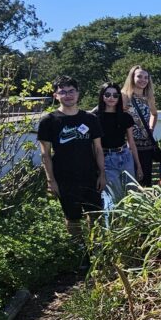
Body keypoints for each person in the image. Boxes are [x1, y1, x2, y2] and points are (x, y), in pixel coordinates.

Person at [37, 76, 105, 243]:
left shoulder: (90, 119)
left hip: (90, 175)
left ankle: (96, 249)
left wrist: (102, 174)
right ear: (56, 96)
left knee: (95, 214)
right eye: (63, 92)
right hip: (64, 177)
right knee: (72, 217)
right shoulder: (49, 121)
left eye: (71, 91)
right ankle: (79, 250)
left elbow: (98, 149)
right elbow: (45, 154)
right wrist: (50, 180)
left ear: (78, 93)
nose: (68, 95)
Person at [91, 82, 143, 203]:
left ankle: (130, 222)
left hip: (125, 156)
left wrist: (138, 166)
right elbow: (94, 146)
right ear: (102, 96)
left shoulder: (125, 117)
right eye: (107, 94)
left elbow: (131, 143)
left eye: (115, 95)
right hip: (106, 158)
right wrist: (99, 170)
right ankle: (113, 222)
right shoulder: (94, 117)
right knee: (114, 196)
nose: (111, 98)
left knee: (132, 194)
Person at [121, 65, 158, 186]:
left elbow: (154, 114)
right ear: (132, 78)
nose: (143, 80)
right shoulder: (124, 96)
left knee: (146, 180)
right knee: (131, 180)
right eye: (139, 76)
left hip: (146, 145)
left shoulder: (148, 97)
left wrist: (150, 129)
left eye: (146, 77)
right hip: (128, 145)